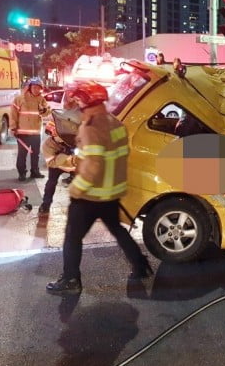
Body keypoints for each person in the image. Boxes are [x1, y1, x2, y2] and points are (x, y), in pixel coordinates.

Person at [46, 81, 152, 295]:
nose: (76, 106)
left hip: (89, 197)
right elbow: (117, 158)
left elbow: (93, 165)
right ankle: (141, 265)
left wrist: (77, 190)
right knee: (118, 231)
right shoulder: (115, 123)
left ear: (84, 103)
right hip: (111, 193)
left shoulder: (91, 128)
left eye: (77, 102)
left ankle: (71, 280)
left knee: (72, 238)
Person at [9, 77, 50, 181]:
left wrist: (44, 110)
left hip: (36, 132)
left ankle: (34, 172)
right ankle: (22, 173)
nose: (36, 89)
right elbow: (13, 114)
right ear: (29, 87)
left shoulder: (41, 99)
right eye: (34, 87)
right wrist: (13, 128)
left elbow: (47, 112)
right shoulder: (20, 99)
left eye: (38, 88)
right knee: (22, 154)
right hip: (22, 133)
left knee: (35, 154)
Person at [38, 121, 76, 218]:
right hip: (57, 167)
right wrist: (64, 154)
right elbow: (52, 163)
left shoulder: (73, 138)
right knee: (51, 183)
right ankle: (45, 204)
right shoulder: (47, 145)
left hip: (75, 166)